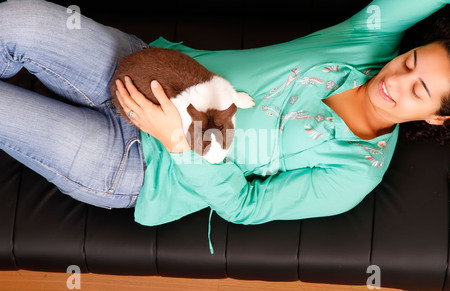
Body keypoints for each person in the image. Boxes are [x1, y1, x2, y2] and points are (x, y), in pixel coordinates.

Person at [0, 0, 449, 231]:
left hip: (137, 167)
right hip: (146, 70)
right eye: (410, 60)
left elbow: (246, 208)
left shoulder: (356, 172)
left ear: (437, 118)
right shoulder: (364, 43)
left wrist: (180, 141)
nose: (396, 80)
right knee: (16, 22)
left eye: (420, 90)